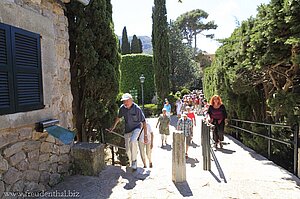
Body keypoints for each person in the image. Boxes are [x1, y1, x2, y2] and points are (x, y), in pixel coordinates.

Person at [110, 93, 147, 170]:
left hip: (137, 128)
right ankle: (131, 162)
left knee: (133, 141)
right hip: (127, 130)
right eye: (123, 101)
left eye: (126, 101)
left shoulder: (137, 109)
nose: (125, 103)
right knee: (127, 150)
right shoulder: (122, 108)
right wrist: (113, 127)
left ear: (131, 100)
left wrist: (145, 135)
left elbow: (144, 122)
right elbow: (118, 117)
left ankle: (134, 161)